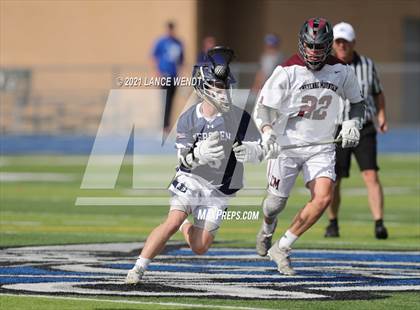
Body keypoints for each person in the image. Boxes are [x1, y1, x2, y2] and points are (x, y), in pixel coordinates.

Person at [125, 47, 264, 284]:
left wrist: (252, 151)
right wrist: (197, 154)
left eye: (225, 87)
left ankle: (185, 226)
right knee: (172, 221)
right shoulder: (189, 118)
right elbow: (183, 158)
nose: (223, 92)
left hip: (221, 186)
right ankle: (138, 267)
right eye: (218, 87)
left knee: (200, 247)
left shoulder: (239, 117)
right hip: (192, 178)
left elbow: (260, 149)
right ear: (203, 87)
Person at [251, 18, 365, 275]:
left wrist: (352, 123)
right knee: (274, 205)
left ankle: (282, 246)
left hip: (321, 146)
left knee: (324, 197)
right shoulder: (287, 71)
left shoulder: (341, 70)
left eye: (319, 46)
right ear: (302, 44)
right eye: (309, 45)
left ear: (328, 46)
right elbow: (263, 108)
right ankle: (267, 228)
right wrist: (267, 132)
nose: (313, 51)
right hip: (287, 144)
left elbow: (357, 103)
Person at [324, 22, 388, 239]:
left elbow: (378, 92)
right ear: (333, 43)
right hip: (335, 129)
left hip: (363, 127)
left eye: (345, 42)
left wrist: (381, 116)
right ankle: (333, 223)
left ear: (353, 43)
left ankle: (379, 223)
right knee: (334, 179)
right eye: (338, 42)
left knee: (371, 175)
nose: (341, 46)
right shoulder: (325, 65)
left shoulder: (367, 65)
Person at [152, 21, 184, 135]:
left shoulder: (178, 43)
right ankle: (164, 126)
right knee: (165, 101)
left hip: (174, 76)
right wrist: (158, 74)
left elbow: (181, 61)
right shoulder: (161, 42)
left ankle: (168, 125)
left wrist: (180, 75)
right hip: (165, 75)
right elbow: (154, 57)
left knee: (172, 101)